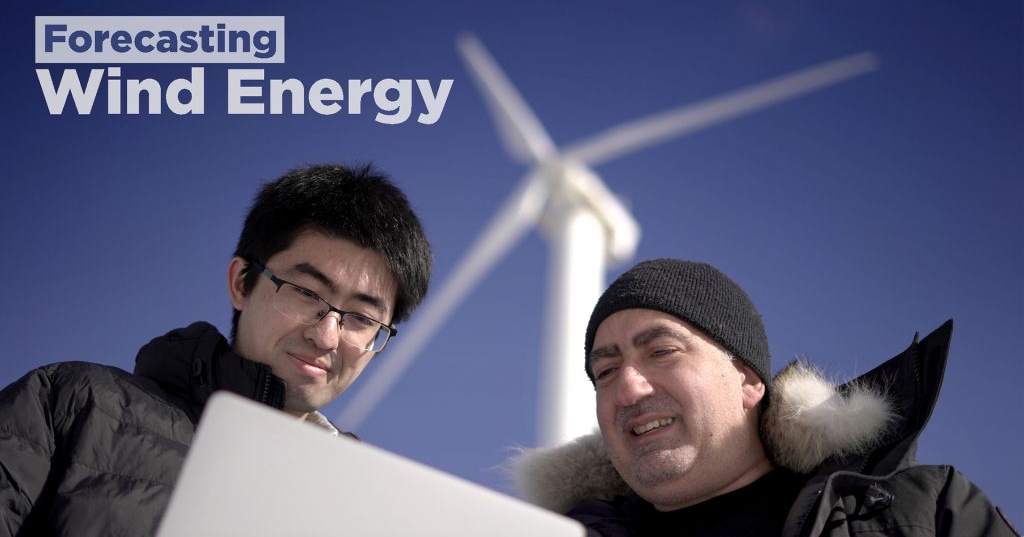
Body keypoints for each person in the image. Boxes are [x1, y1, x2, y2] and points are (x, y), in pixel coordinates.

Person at [0, 163, 432, 537]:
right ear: (242, 282)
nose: (326, 336)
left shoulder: (376, 507)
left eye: (361, 318)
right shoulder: (72, 405)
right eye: (306, 292)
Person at [515, 259, 1018, 536]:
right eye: (605, 371)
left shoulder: (923, 511)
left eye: (663, 351)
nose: (628, 387)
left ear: (748, 380)